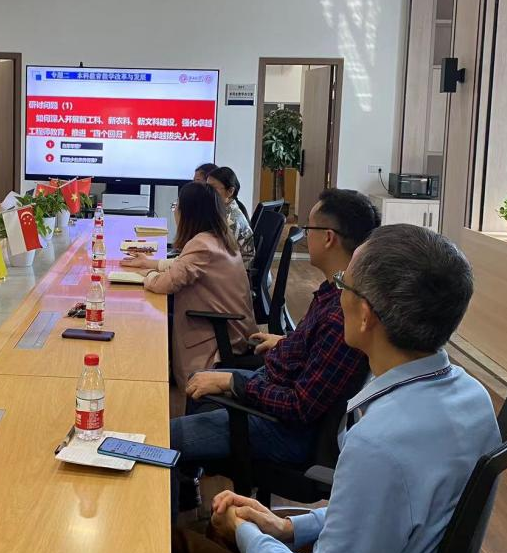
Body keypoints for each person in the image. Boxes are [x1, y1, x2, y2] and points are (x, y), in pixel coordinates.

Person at [172, 224, 501, 553]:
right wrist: (287, 527)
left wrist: (246, 534)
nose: (336, 293)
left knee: (175, 545)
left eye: (344, 283)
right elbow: (380, 515)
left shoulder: (378, 445)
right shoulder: (474, 399)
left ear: (365, 316)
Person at [168, 189, 378, 503]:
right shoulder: (335, 292)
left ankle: (168, 524)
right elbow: (316, 355)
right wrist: (286, 342)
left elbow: (300, 406)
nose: (306, 236)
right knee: (199, 387)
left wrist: (234, 383)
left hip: (284, 430)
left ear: (329, 238)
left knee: (163, 440)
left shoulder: (341, 313)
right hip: (274, 390)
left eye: (309, 229)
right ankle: (188, 488)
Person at [122, 182, 257, 416]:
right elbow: (183, 264)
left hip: (219, 337)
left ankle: (142, 403)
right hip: (233, 329)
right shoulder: (218, 238)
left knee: (148, 321)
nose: (175, 211)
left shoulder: (202, 244)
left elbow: (167, 283)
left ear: (190, 213)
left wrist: (146, 275)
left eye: (176, 206)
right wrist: (151, 263)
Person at [206, 167, 254, 270]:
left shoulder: (230, 220)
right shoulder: (226, 210)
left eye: (212, 188)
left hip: (237, 272)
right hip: (231, 267)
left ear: (230, 191)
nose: (207, 192)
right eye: (207, 187)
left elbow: (215, 255)